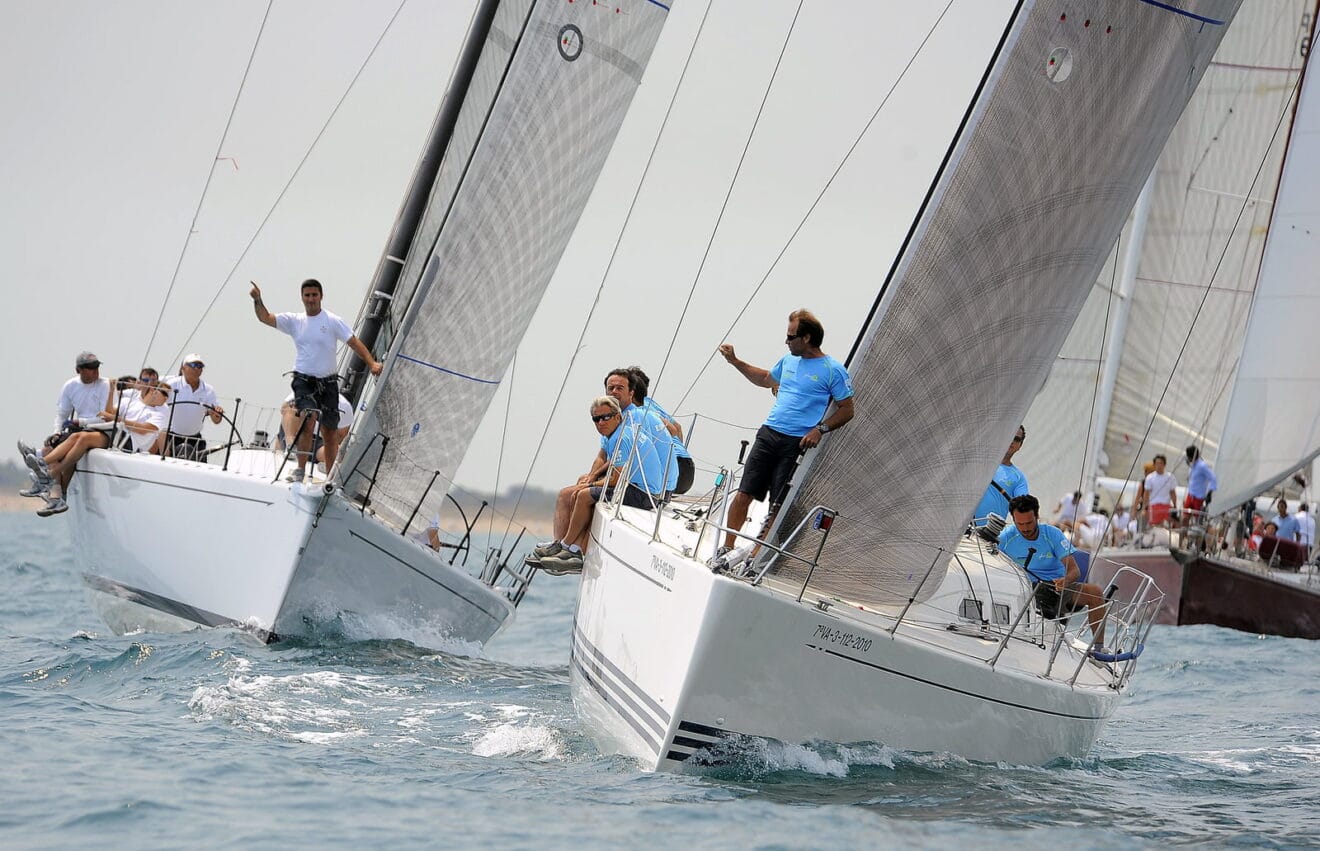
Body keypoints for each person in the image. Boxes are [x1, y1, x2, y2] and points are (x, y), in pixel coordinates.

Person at [716, 309, 854, 554]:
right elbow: (766, 379)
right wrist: (736, 362)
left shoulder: (833, 370)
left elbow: (847, 410)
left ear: (807, 338)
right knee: (743, 493)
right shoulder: (788, 361)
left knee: (777, 504)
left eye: (791, 337)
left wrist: (820, 429)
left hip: (796, 443)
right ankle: (727, 547)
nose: (786, 341)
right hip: (769, 434)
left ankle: (755, 557)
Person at [250, 278, 381, 481]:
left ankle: (330, 476)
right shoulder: (295, 320)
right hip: (303, 380)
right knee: (308, 420)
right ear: (302, 298)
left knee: (329, 432)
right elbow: (265, 318)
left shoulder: (332, 321)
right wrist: (258, 299)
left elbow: (354, 343)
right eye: (307, 295)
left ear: (321, 296)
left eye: (314, 295)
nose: (311, 299)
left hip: (328, 383)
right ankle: (301, 469)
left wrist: (372, 364)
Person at [533, 396, 664, 574]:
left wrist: (590, 484)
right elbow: (614, 463)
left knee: (583, 495)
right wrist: (592, 475)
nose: (600, 422)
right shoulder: (619, 433)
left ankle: (570, 548)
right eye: (596, 419)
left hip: (644, 494)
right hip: (635, 486)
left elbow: (615, 479)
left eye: (605, 417)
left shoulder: (621, 438)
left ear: (618, 416)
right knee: (567, 493)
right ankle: (562, 546)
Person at [24, 380, 171, 516]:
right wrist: (112, 391)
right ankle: (44, 464)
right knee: (77, 437)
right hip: (113, 432)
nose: (166, 398)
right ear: (153, 390)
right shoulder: (130, 401)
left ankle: (47, 471)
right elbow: (108, 413)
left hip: (128, 441)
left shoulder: (158, 413)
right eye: (164, 393)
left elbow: (144, 429)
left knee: (83, 438)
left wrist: (116, 419)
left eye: (168, 395)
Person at [997, 494, 1108, 646]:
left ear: (1037, 516)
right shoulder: (1006, 538)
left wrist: (1065, 580)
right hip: (1025, 589)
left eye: (1029, 523)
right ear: (1013, 520)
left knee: (1095, 592)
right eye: (1020, 524)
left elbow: (1074, 570)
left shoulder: (1052, 534)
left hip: (1057, 587)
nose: (1025, 529)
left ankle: (1099, 649)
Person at [628, 365, 695, 495]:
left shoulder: (639, 409)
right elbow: (678, 428)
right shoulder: (651, 403)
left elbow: (671, 429)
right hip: (687, 466)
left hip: (671, 472)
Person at [46, 351, 113, 452]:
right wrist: (57, 433)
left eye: (97, 366)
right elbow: (62, 416)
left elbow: (105, 418)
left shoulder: (106, 385)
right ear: (78, 370)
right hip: (80, 429)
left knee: (73, 440)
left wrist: (80, 422)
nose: (95, 370)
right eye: (90, 367)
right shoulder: (70, 386)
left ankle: (40, 457)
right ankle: (40, 457)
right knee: (52, 445)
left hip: (101, 431)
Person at [163, 354, 222, 461]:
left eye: (200, 366)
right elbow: (157, 404)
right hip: (170, 438)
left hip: (195, 439)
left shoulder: (208, 390)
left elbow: (216, 420)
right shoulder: (172, 385)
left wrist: (217, 414)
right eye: (193, 365)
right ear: (183, 368)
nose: (197, 368)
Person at [971, 426, 1028, 527]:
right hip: (962, 529)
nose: (1012, 441)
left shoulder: (1019, 477)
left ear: (1020, 446)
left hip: (989, 536)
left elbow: (1024, 506)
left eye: (1016, 439)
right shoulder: (978, 461)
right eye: (1009, 435)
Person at [279, 391, 353, 468]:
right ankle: (290, 446)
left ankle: (331, 464)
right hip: (297, 431)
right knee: (290, 409)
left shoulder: (345, 406)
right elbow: (284, 408)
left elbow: (341, 436)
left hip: (319, 441)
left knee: (339, 452)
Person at [1139, 454, 1177, 528]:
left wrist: (1175, 505)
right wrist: (1144, 507)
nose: (1159, 466)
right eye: (1157, 463)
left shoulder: (1170, 477)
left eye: (1161, 463)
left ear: (1164, 464)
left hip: (1166, 506)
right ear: (1154, 465)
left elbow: (1173, 493)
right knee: (1154, 527)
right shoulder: (1150, 478)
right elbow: (1146, 494)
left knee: (1166, 527)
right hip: (1154, 506)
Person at [1183, 445, 1217, 525]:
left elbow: (1213, 478)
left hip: (1198, 497)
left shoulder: (1202, 466)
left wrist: (1210, 492)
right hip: (1190, 495)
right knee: (1185, 517)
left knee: (1197, 520)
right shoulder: (1192, 465)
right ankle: (1182, 536)